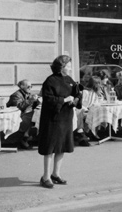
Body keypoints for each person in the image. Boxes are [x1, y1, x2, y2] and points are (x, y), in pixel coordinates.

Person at [38, 55, 83, 189]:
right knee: (49, 148)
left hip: (65, 117)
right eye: (68, 65)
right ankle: (45, 177)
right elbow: (48, 99)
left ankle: (55, 174)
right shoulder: (50, 81)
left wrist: (77, 98)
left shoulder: (69, 80)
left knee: (62, 146)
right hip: (52, 119)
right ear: (61, 67)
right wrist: (64, 100)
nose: (70, 68)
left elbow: (76, 96)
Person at [8, 79, 40, 150]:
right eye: (28, 86)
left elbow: (32, 106)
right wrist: (30, 100)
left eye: (31, 86)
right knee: (33, 115)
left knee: (37, 114)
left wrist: (37, 101)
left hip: (24, 115)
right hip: (16, 117)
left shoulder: (28, 94)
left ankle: (27, 135)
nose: (30, 88)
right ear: (22, 86)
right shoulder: (16, 95)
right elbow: (19, 107)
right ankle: (25, 137)